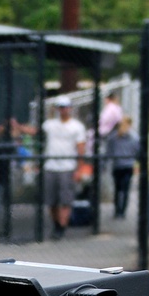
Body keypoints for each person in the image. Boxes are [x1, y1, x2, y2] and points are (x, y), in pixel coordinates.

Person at [18, 95, 87, 240]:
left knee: (65, 200)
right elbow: (35, 131)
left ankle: (61, 227)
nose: (63, 110)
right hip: (51, 166)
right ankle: (57, 224)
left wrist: (79, 169)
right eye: (60, 107)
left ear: (70, 108)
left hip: (68, 167)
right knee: (52, 200)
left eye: (65, 107)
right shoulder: (50, 124)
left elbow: (81, 148)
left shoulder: (77, 127)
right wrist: (19, 127)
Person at [106, 115, 140, 219]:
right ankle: (122, 212)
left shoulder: (113, 136)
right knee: (125, 189)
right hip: (128, 165)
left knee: (117, 189)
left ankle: (117, 211)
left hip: (117, 165)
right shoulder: (134, 137)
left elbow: (109, 151)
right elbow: (137, 151)